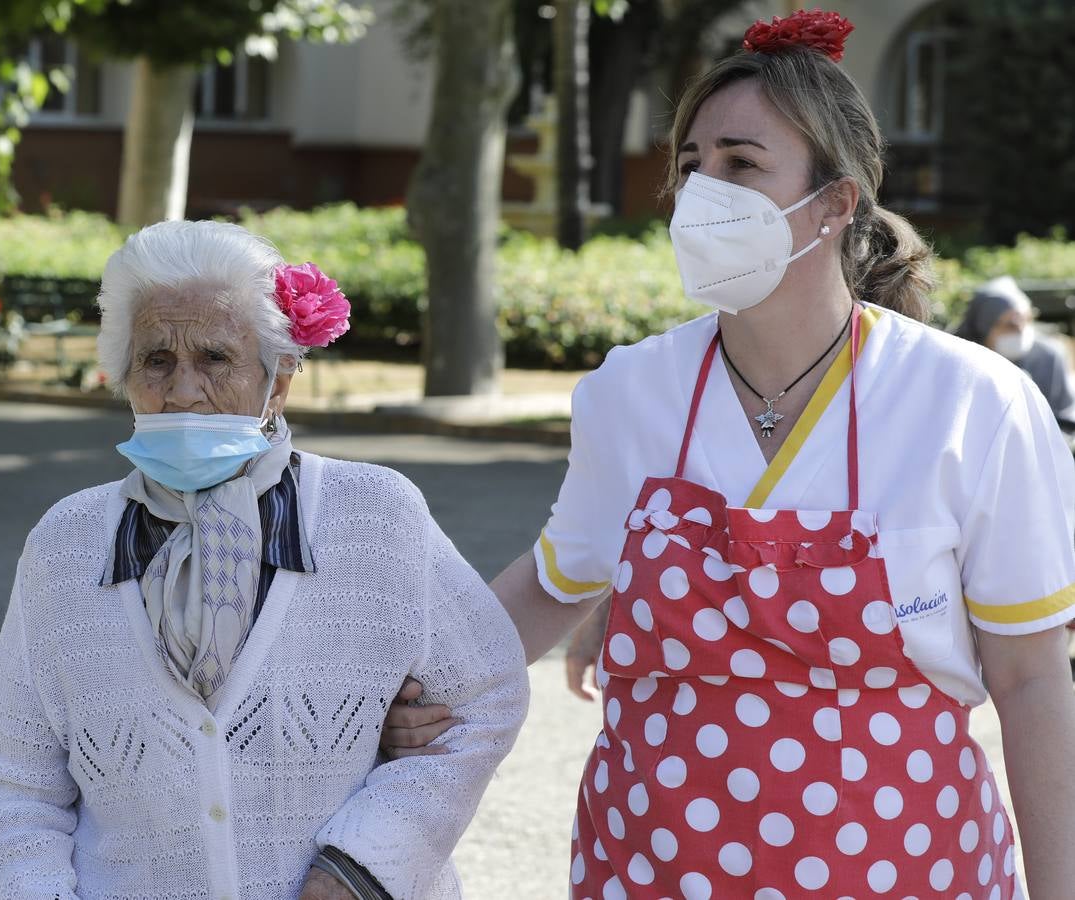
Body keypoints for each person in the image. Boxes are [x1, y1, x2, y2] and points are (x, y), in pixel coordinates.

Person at [382, 9, 1075, 897]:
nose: (704, 190)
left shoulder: (969, 402)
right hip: (653, 867)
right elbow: (556, 583)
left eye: (742, 163)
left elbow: (1028, 679)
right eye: (691, 165)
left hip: (907, 870)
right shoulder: (633, 391)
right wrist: (409, 686)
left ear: (833, 204)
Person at [0, 220, 529, 900]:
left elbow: (484, 697)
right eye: (156, 360)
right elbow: (15, 784)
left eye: (214, 358)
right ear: (123, 376)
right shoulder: (67, 543)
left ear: (278, 381)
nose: (181, 390)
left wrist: (360, 867)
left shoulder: (373, 516)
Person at [957, 274, 1075, 436]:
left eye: (1025, 320)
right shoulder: (961, 358)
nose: (1020, 330)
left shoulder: (1048, 356)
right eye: (1010, 325)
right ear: (984, 326)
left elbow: (1065, 418)